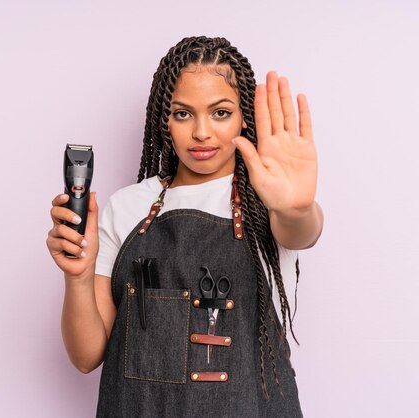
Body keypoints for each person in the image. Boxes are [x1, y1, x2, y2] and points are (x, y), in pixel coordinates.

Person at [47, 36, 323, 417]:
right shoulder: (127, 208)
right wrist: (76, 277)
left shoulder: (269, 200)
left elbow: (303, 230)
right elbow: (86, 356)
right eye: (183, 113)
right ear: (164, 118)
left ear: (245, 116)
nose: (202, 132)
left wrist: (296, 208)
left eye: (221, 113)